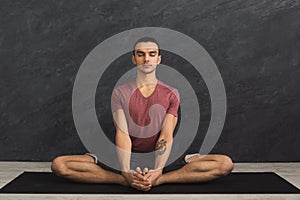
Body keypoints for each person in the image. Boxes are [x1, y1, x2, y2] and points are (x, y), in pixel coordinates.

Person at [51, 37, 233, 191]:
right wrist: (125, 172)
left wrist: (159, 171)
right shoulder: (120, 92)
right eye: (141, 54)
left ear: (158, 59)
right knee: (59, 165)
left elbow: (166, 134)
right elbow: (122, 133)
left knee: (224, 164)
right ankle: (122, 181)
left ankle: (159, 181)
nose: (146, 59)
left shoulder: (171, 93)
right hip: (126, 154)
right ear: (134, 59)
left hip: (162, 156)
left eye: (151, 54)